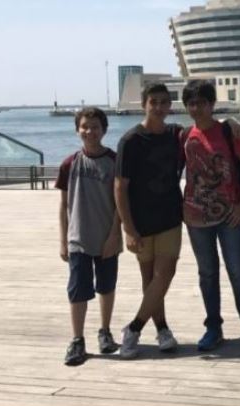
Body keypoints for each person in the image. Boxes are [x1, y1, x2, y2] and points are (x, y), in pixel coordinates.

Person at [180, 80, 240, 351]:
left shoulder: (229, 132)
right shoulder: (184, 135)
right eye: (191, 104)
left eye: (202, 103)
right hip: (196, 218)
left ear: (212, 104)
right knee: (207, 273)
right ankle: (213, 327)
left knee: (238, 271)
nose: (197, 108)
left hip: (230, 215)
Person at [115, 84, 187, 359]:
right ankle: (162, 329)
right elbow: (120, 187)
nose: (158, 107)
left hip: (170, 217)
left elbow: (203, 132)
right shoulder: (130, 141)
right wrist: (128, 228)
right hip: (141, 222)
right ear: (144, 104)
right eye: (153, 102)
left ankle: (134, 328)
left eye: (164, 102)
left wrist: (230, 123)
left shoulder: (175, 134)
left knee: (164, 275)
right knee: (149, 280)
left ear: (170, 106)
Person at [57, 107, 121, 366]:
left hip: (106, 237)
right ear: (77, 130)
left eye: (95, 127)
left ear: (104, 130)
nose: (89, 131)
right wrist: (63, 240)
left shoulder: (114, 161)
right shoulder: (69, 163)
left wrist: (115, 235)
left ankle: (105, 331)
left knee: (106, 285)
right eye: (84, 127)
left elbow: (120, 204)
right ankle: (77, 339)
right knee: (78, 289)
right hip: (78, 238)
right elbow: (64, 205)